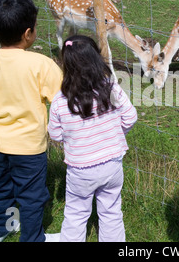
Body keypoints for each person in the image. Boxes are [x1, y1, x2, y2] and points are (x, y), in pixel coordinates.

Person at [0, 0, 63, 242]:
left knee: (1, 188)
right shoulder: (43, 65)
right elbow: (61, 103)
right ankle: (32, 238)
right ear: (28, 33)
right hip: (30, 146)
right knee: (32, 196)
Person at [48, 35, 137, 242]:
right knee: (111, 211)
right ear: (97, 60)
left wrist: (71, 139)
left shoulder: (61, 100)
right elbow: (131, 116)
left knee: (76, 214)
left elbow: (55, 134)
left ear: (66, 65)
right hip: (112, 164)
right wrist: (116, 133)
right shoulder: (111, 88)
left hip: (80, 169)